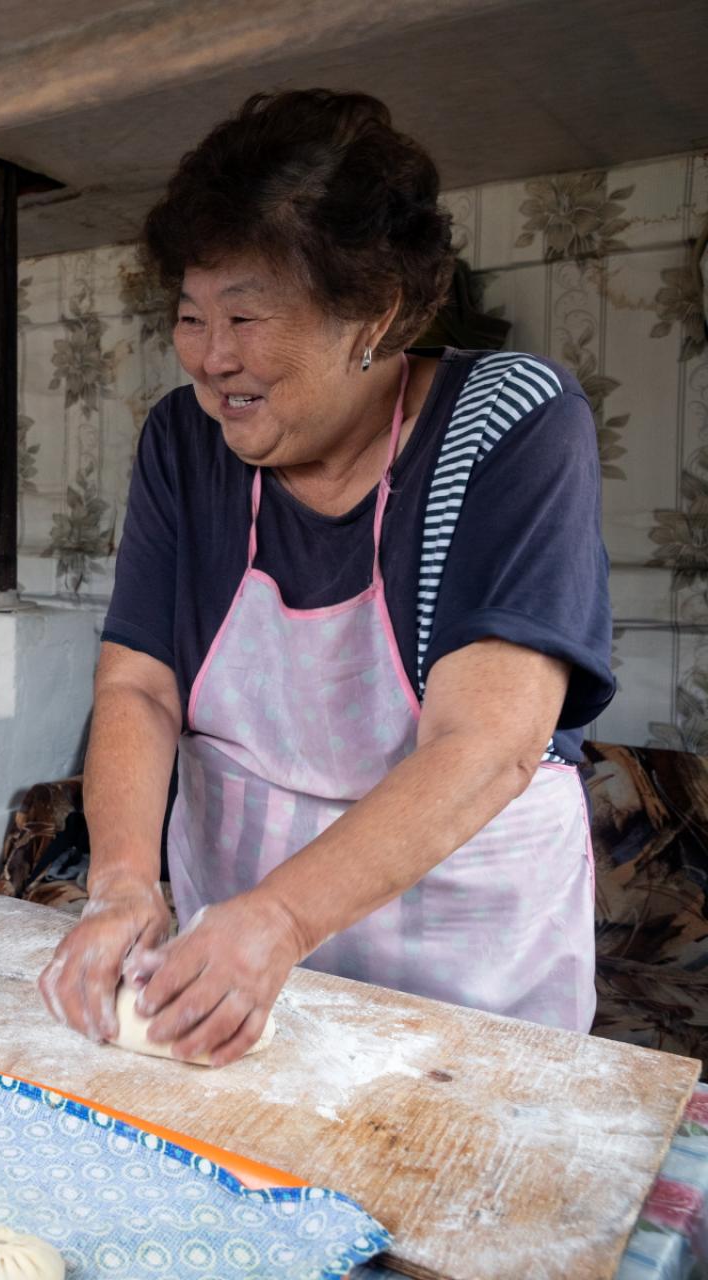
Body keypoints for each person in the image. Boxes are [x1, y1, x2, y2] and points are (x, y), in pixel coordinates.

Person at [37, 90, 612, 1064]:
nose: (213, 359)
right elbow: (139, 683)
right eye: (190, 315)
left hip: (466, 973)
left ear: (372, 314)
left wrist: (281, 921)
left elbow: (490, 741)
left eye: (247, 316)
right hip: (229, 973)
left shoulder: (510, 421)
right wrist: (125, 882)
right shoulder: (185, 441)